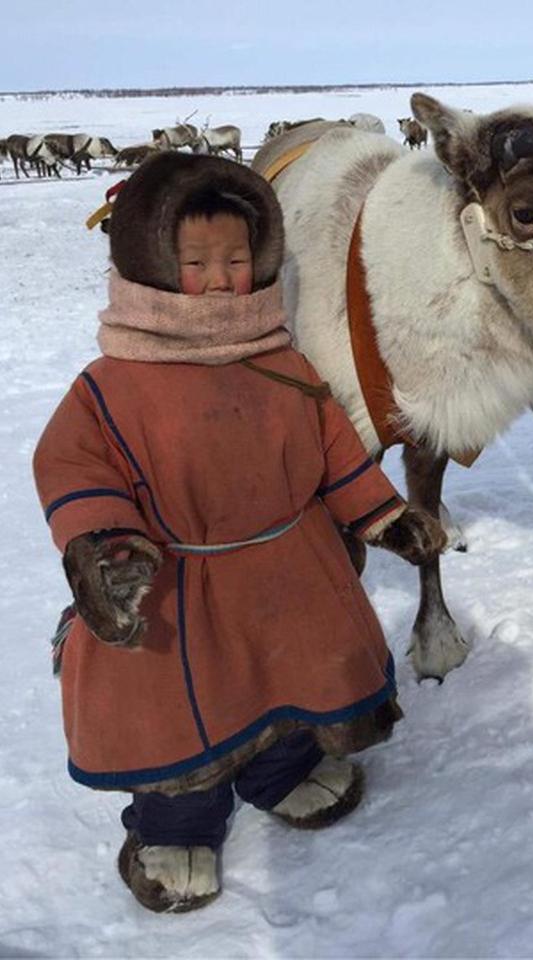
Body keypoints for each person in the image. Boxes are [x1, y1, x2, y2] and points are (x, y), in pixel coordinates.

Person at [32, 152, 445, 913]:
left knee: (288, 685)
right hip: (174, 590)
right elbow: (71, 466)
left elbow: (334, 454)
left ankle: (281, 774)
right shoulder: (112, 383)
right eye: (195, 261)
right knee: (180, 725)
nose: (220, 277)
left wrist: (383, 515)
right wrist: (103, 546)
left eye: (234, 258)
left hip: (288, 574)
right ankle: (177, 827)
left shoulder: (285, 364)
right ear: (150, 262)